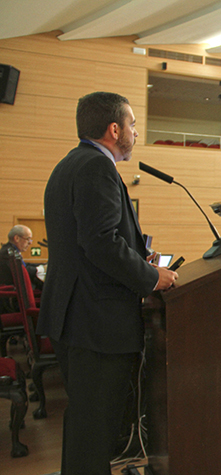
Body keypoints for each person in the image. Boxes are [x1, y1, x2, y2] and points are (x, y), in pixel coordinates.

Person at [36, 92, 178, 475]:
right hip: (94, 321)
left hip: (75, 315)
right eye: (131, 124)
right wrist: (152, 277)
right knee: (95, 428)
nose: (135, 132)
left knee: (86, 424)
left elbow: (94, 241)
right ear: (114, 129)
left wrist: (137, 257)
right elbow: (100, 243)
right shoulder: (97, 168)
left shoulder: (70, 164)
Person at [0, 225, 43, 289]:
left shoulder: (10, 249)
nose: (30, 243)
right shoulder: (7, 253)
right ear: (17, 238)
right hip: (14, 293)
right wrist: (41, 269)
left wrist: (41, 265)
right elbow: (21, 271)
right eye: (28, 239)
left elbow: (24, 265)